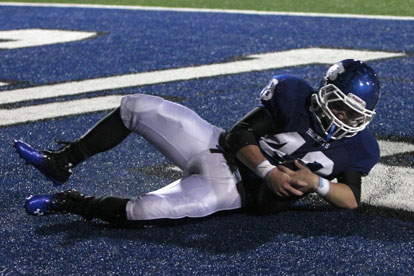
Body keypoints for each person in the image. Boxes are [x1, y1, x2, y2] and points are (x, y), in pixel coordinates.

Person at [15, 59, 380, 225]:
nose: (342, 118)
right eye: (338, 106)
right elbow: (240, 134)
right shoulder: (293, 95)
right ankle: (63, 161)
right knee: (136, 106)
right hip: (217, 146)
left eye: (353, 115)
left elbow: (350, 200)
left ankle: (74, 203)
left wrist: (317, 183)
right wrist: (268, 170)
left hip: (230, 191)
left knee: (143, 210)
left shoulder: (359, 147)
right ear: (323, 94)